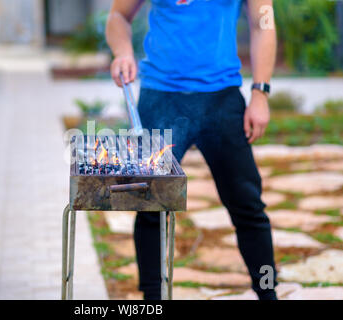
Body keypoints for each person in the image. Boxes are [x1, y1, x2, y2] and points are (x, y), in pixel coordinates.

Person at [106, 0, 278, 300]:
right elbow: (119, 15)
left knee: (248, 206)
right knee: (151, 209)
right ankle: (152, 300)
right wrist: (123, 52)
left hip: (221, 101)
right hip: (160, 99)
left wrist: (260, 92)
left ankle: (267, 292)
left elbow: (263, 25)